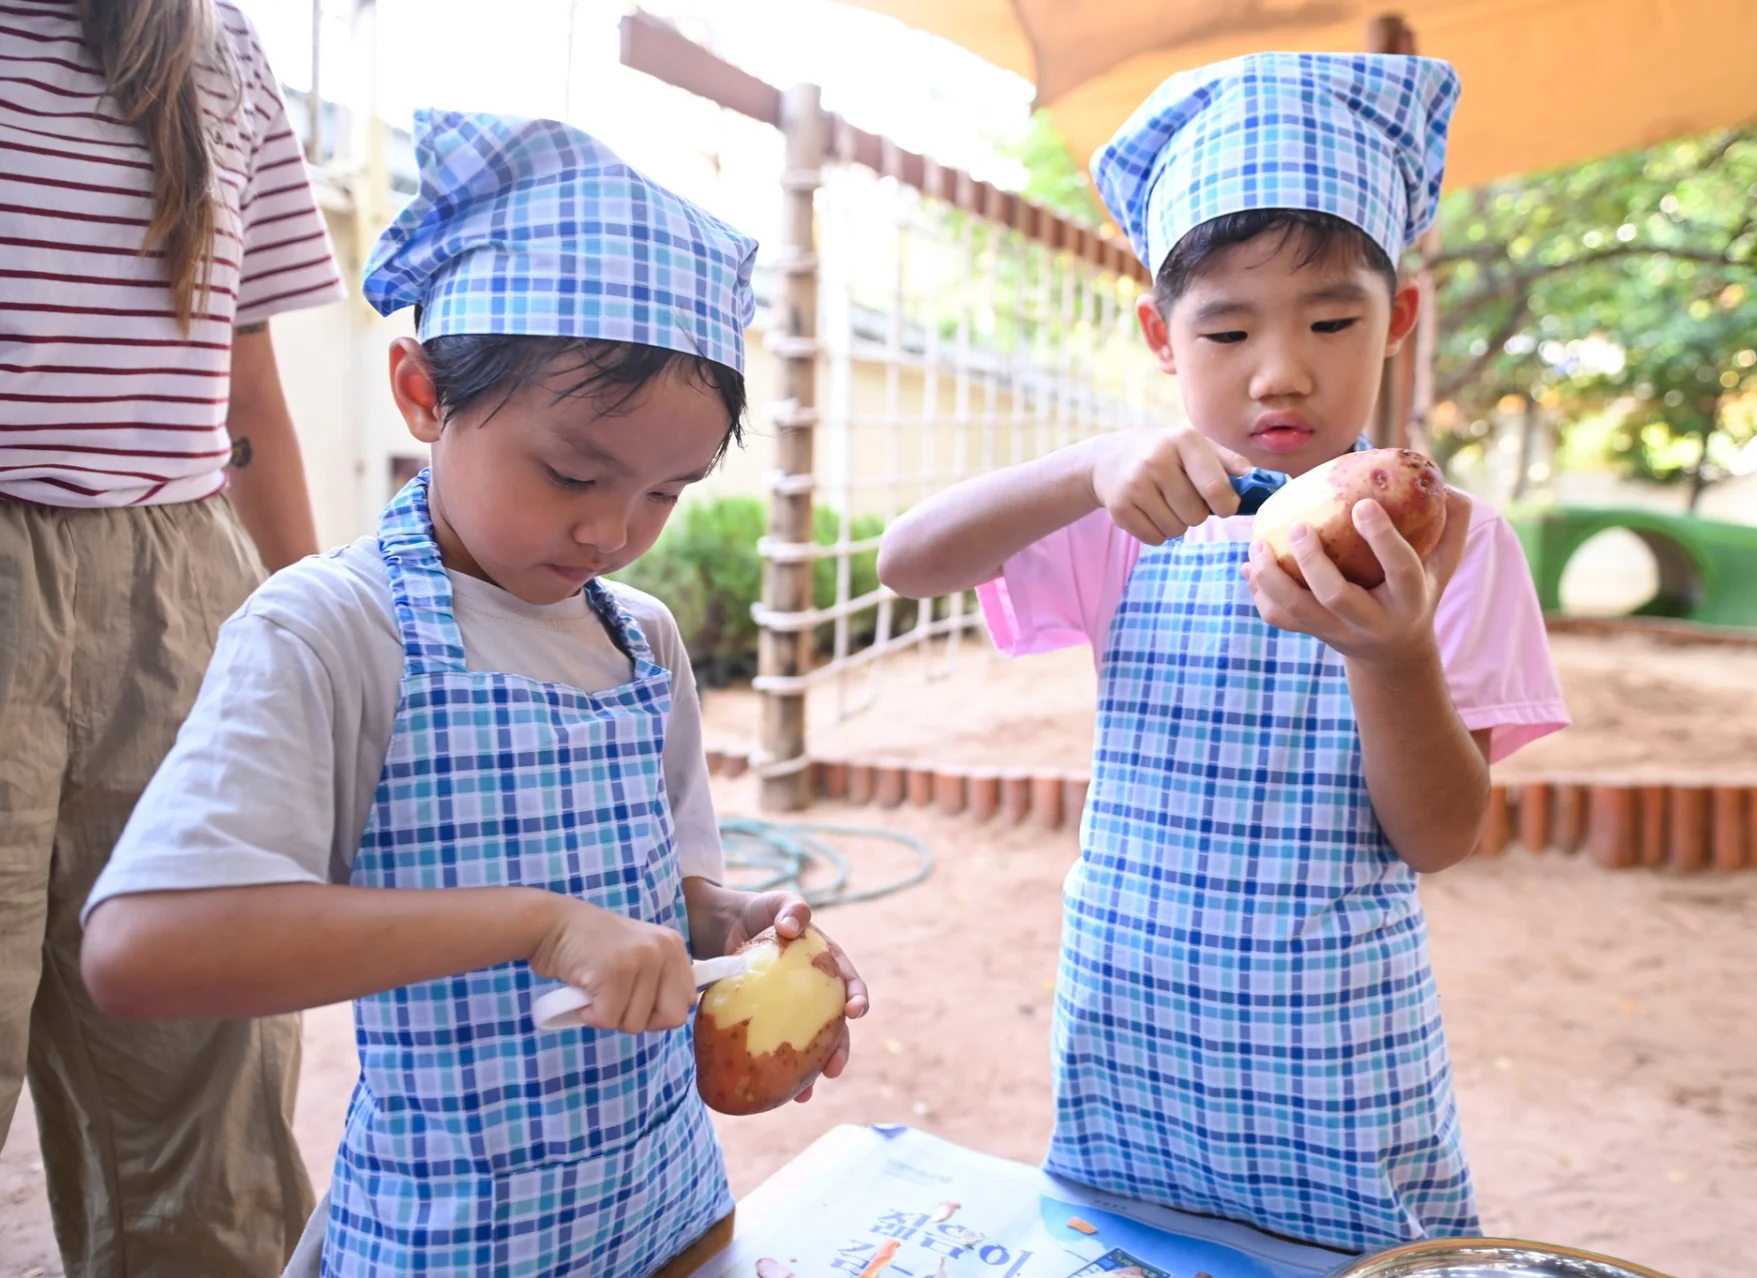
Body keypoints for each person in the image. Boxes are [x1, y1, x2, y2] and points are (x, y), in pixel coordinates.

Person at [79, 109, 868, 1276]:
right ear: (420, 394)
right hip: (452, 1240)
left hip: (669, 1214)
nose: (612, 530)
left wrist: (731, 935)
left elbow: (663, 893)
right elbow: (145, 950)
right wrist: (535, 925)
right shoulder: (332, 630)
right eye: (570, 472)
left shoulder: (641, 640)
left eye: (667, 493)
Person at [877, 53, 1568, 1253]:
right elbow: (908, 562)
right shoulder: (1126, 514)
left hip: (1338, 1065)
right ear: (1159, 333)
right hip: (1127, 1040)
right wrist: (1079, 469)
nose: (1281, 369)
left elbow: (1442, 837)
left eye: (1334, 321)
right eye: (1228, 327)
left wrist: (1393, 656)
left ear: (1397, 318)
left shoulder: (1451, 540)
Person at [1, 0, 343, 1270]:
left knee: (207, 1101)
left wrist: (322, 631)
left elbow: (244, 376)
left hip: (183, 586)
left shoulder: (219, 43)